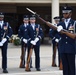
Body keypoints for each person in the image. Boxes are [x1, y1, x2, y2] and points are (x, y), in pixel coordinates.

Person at [57, 6, 75, 75]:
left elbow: (74, 35)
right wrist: (58, 34)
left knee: (71, 66)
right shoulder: (60, 24)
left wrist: (65, 32)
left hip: (71, 47)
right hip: (63, 47)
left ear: (70, 14)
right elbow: (53, 33)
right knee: (65, 67)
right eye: (64, 13)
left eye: (66, 13)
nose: (64, 15)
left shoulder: (74, 23)